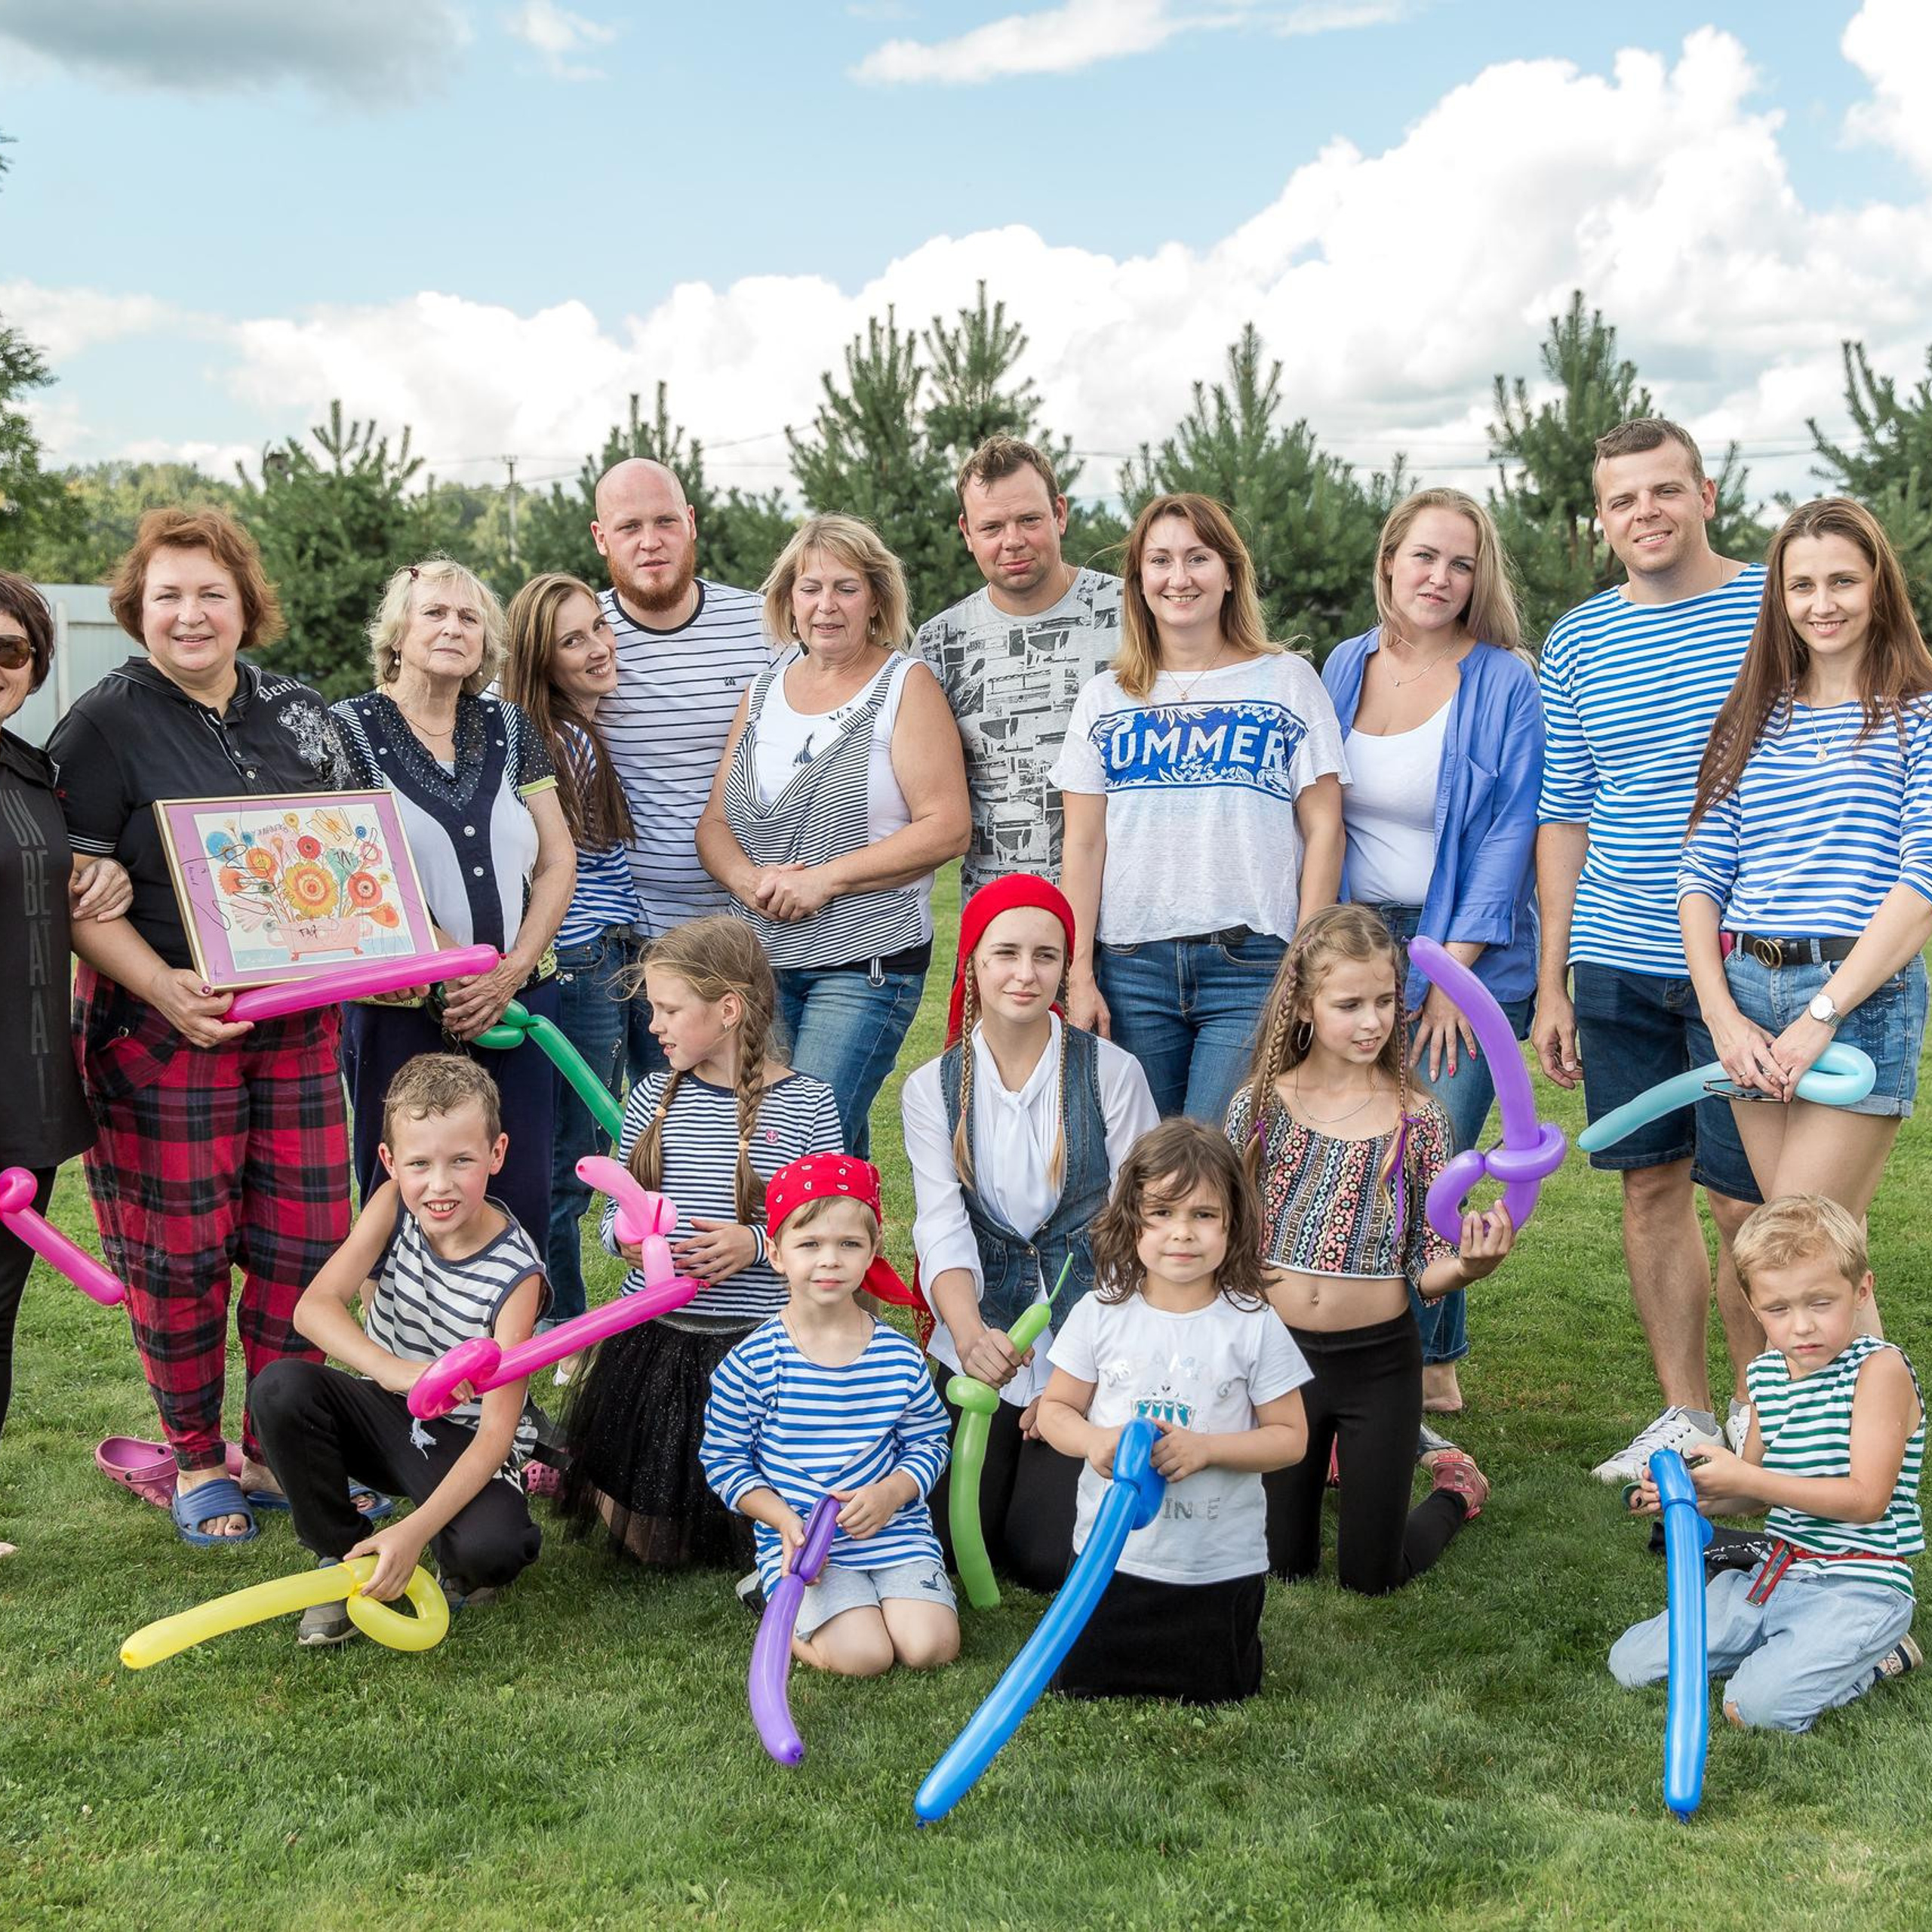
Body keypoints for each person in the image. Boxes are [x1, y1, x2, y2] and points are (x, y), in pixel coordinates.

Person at [48, 508, 357, 1544]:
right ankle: (192, 1459)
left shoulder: (302, 713)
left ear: (244, 604)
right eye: (169, 595)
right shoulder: (101, 723)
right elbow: (80, 900)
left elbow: (342, 860)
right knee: (178, 1255)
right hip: (162, 1026)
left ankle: (275, 1450)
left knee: (303, 1246)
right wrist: (166, 984)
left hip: (300, 1025)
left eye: (211, 593)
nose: (190, 614)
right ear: (139, 607)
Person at [1533, 418, 1766, 1482]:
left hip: (1749, 959)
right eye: (1623, 501)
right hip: (1620, 958)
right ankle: (1687, 1414)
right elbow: (1566, 815)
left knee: (1745, 1201)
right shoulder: (1578, 641)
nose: (1646, 514)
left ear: (1707, 493)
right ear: (1601, 518)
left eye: (1665, 491)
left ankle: (1773, 1424)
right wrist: (1555, 983)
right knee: (1651, 1191)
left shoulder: (1775, 608)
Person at [1322, 488, 1543, 1417]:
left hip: (1466, 942)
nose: (1439, 578)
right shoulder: (1340, 665)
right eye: (1423, 557)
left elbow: (1509, 833)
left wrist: (1450, 974)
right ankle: (1368, 1347)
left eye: (1459, 563)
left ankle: (1434, 1353)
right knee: (1354, 1142)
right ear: (1387, 562)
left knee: (1433, 1144)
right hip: (1355, 942)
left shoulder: (1504, 679)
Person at [1681, 500, 1932, 1304]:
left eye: (1842, 581)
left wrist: (1820, 1014)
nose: (1821, 603)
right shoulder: (1751, 716)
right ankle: (1861, 1428)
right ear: (1779, 598)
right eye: (1801, 585)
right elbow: (1699, 878)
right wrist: (1721, 1014)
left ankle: (1815, 1428)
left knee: (1794, 1248)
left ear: (1878, 589)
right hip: (1750, 998)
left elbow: (1921, 881)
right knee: (1813, 1252)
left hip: (1857, 999)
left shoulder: (1917, 716)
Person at [1226, 906, 1514, 1594]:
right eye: (1349, 1003)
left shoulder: (1418, 1119)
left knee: (1372, 1577)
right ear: (1302, 1004)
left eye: (1385, 1001)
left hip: (1378, 1362)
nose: (1372, 1021)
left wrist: (1473, 1264)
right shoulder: (1257, 1108)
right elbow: (1228, 1229)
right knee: (1281, 1565)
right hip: (1279, 1365)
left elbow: (1426, 1262)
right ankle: (1328, 1457)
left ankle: (1454, 1489)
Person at [1055, 491, 1346, 1124]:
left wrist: (1305, 957)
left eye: (1198, 558)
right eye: (1160, 561)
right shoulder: (1105, 698)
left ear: (1230, 573)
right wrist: (1079, 973)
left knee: (1214, 1157)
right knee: (1140, 1162)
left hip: (1251, 964)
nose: (1179, 578)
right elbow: (1082, 844)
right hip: (1131, 967)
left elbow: (1325, 829)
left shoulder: (1287, 680)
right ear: (1139, 581)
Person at [561, 917, 842, 1569]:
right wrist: (624, 1242)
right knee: (652, 1548)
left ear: (727, 1010)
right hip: (660, 1341)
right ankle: (570, 1470)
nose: (654, 1025)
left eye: (668, 1009)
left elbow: (834, 1221)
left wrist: (754, 1240)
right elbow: (612, 1215)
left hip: (760, 1343)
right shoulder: (649, 1102)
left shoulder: (807, 1105)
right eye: (652, 1009)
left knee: (751, 1537)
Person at [903, 874, 1158, 1592]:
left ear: (1065, 967)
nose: (1025, 974)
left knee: (1044, 1556)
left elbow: (1137, 1225)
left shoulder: (1112, 1072)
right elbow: (942, 1227)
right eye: (1005, 953)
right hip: (983, 1330)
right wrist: (970, 1336)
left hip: (1090, 1332)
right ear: (974, 967)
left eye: (1046, 956)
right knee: (950, 1541)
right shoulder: (932, 1087)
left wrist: (1071, 1375)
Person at [697, 514, 970, 1155]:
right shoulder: (763, 692)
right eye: (810, 587)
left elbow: (948, 825)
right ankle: (847, 1253)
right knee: (830, 1152)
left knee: (794, 1145)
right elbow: (714, 825)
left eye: (846, 588)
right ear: (788, 601)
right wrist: (749, 880)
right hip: (761, 966)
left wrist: (825, 879)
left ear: (875, 599)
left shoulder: (906, 686)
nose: (827, 605)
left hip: (864, 966)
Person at [253, 1056, 546, 1643]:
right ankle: (342, 1556)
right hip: (386, 1410)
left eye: (462, 1160)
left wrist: (413, 1532)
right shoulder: (392, 1204)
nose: (439, 1185)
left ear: (497, 1153)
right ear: (390, 1162)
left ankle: (430, 1547)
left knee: (492, 1550)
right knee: (280, 1387)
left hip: (462, 1439)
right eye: (420, 1164)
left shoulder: (520, 1276)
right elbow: (314, 1308)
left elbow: (493, 1436)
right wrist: (401, 1373)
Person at [332, 559, 577, 1251]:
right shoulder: (347, 728)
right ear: (398, 631)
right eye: (435, 612)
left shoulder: (510, 724)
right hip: (403, 1013)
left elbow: (558, 858)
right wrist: (455, 963)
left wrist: (512, 968)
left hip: (525, 1004)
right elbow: (359, 871)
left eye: (470, 618)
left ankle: (510, 1352)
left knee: (518, 1189)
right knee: (410, 1198)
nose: (453, 627)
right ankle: (405, 1354)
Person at [1612, 1194, 1922, 1731]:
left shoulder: (1879, 1370)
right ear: (1754, 1308)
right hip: (1775, 1575)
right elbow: (1755, 1496)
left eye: (1820, 1303)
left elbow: (1867, 1500)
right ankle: (1788, 1648)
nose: (1801, 1326)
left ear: (1861, 1290)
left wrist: (1746, 1476)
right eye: (1778, 1310)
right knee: (1632, 1664)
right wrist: (1691, 1493)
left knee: (1755, 1708)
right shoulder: (1767, 1379)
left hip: (1859, 1587)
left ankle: (1880, 1654)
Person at [1035, 1118, 1309, 1704]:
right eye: (1161, 1213)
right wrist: (1094, 1441)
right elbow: (1055, 1410)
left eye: (1203, 1215)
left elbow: (1290, 1437)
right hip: (1110, 1558)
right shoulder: (1099, 1313)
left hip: (1215, 1563)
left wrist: (1207, 1449)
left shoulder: (1252, 1324)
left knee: (1218, 1688)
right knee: (1083, 1682)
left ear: (1233, 1223)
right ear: (1131, 1219)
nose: (1181, 1234)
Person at [701, 1152, 958, 1675]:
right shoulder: (752, 1362)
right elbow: (724, 1461)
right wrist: (782, 1521)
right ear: (775, 1253)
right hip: (805, 1549)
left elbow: (930, 1440)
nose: (830, 1260)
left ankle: (891, 1598)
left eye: (849, 1244)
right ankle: (774, 1600)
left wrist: (893, 1493)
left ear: (872, 1251)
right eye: (810, 1244)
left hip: (894, 1532)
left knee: (930, 1648)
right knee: (864, 1658)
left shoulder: (899, 1356)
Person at [0, 571, 133, 1558]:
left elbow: (64, 876)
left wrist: (103, 868)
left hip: (24, 1086)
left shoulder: (30, 773)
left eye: (11, 652)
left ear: (37, 669)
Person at [590, 458, 772, 1084]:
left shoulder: (762, 623)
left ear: (691, 523)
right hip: (631, 938)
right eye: (629, 526)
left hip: (751, 928)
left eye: (666, 520)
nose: (650, 541)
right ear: (599, 538)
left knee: (760, 1120)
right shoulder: (579, 634)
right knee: (655, 1130)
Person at [503, 571, 641, 1346]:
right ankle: (559, 1321)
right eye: (574, 639)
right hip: (587, 957)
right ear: (541, 658)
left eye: (599, 627)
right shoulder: (563, 739)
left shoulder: (568, 730)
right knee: (573, 1155)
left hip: (595, 954)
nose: (598, 647)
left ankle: (560, 1314)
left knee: (576, 1147)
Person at [914, 435, 1122, 895]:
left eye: (1029, 520)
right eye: (992, 528)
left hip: (1126, 924)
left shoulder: (1135, 614)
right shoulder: (936, 643)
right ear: (967, 533)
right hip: (999, 922)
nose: (1013, 541)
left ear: (1060, 514)